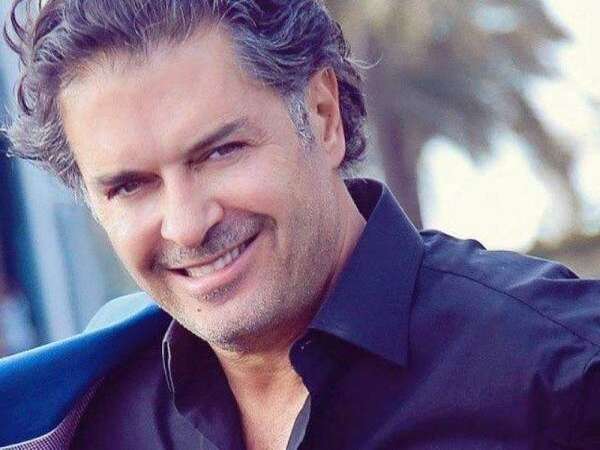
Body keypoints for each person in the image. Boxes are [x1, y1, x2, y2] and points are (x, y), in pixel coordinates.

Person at [1, 0, 599, 449]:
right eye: (130, 186)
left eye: (220, 151)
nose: (185, 226)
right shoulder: (80, 422)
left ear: (322, 115)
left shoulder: (564, 372)